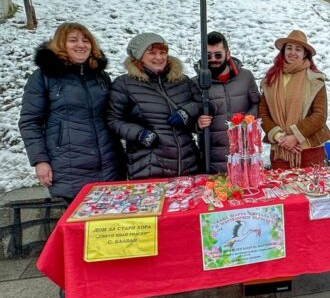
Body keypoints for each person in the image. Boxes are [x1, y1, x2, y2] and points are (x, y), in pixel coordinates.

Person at [19, 22, 124, 204]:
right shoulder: (43, 77)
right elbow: (30, 122)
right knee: (77, 227)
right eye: (73, 40)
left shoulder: (100, 76)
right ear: (61, 44)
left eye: (86, 40)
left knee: (109, 227)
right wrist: (40, 160)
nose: (81, 45)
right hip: (68, 167)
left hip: (108, 163)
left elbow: (113, 114)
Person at [107, 33, 201, 179]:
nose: (159, 57)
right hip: (148, 165)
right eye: (151, 53)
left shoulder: (181, 81)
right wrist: (138, 133)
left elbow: (201, 103)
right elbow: (113, 119)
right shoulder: (124, 84)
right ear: (139, 57)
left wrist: (187, 112)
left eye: (162, 52)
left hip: (187, 163)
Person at [258, 30, 330, 169]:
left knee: (312, 189)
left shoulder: (314, 80)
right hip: (280, 151)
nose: (293, 52)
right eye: (289, 48)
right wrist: (279, 136)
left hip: (309, 149)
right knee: (282, 189)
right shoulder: (271, 79)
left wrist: (295, 137)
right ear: (283, 51)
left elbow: (320, 115)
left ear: (305, 53)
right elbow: (263, 112)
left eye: (298, 49)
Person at [194, 31, 260, 174]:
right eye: (208, 55)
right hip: (212, 156)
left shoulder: (246, 76)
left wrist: (249, 118)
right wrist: (197, 124)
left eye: (218, 55)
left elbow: (257, 104)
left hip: (243, 152)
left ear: (227, 54)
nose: (213, 59)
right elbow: (191, 115)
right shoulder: (196, 82)